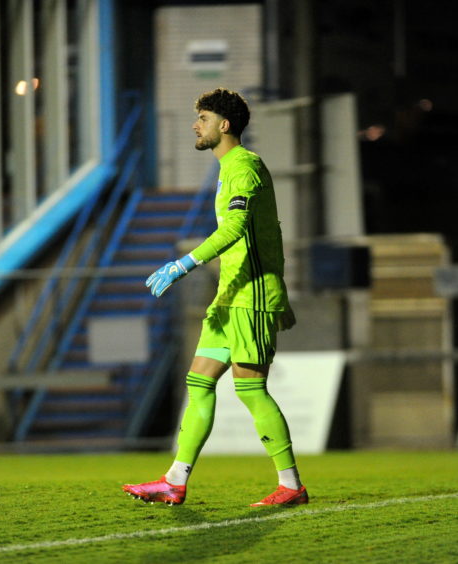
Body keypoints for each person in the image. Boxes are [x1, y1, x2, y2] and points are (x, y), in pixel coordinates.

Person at [122, 88, 307, 507]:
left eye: (202, 118)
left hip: (249, 298)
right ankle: (175, 479)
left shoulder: (244, 166)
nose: (196, 125)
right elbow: (268, 231)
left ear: (224, 125)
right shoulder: (229, 169)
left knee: (251, 390)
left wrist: (181, 265)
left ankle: (292, 485)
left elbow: (236, 229)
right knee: (199, 383)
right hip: (229, 298)